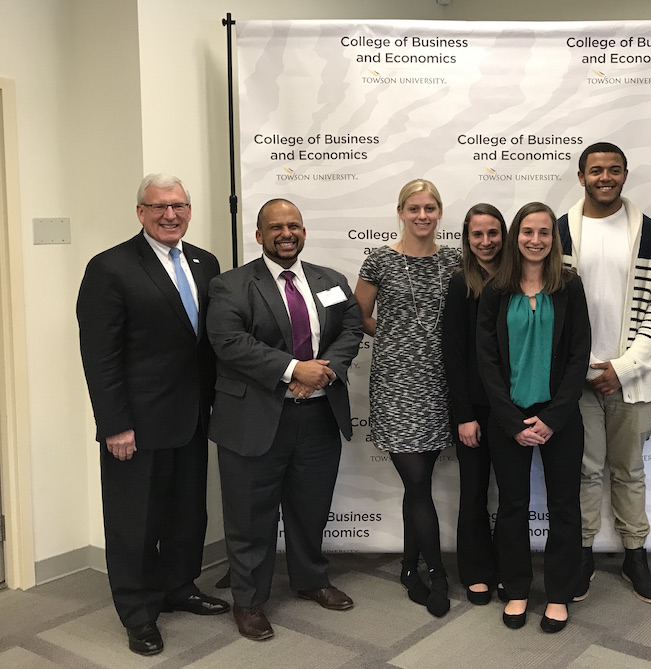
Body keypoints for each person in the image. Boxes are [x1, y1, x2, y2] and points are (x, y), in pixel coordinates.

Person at [77, 173, 228, 656]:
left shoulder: (206, 263)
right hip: (136, 425)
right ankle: (138, 613)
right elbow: (99, 355)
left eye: (179, 206)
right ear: (140, 212)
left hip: (192, 417)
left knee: (187, 514)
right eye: (159, 206)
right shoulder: (110, 267)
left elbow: (205, 344)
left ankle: (179, 587)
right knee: (134, 522)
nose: (171, 215)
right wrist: (114, 423)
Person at [207, 198, 363, 641]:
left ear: (304, 232)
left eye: (294, 225)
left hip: (317, 418)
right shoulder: (230, 285)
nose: (286, 233)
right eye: (276, 227)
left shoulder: (329, 281)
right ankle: (249, 601)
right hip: (254, 419)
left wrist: (324, 368)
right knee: (250, 517)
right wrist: (295, 370)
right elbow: (229, 341)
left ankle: (311, 578)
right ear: (259, 235)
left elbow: (351, 327)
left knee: (310, 508)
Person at [558, 142, 651, 603]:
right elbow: (547, 304)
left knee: (628, 471)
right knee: (584, 472)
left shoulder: (650, 232)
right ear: (581, 175)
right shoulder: (560, 232)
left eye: (613, 170)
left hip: (632, 379)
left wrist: (622, 368)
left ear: (625, 174)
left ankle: (635, 555)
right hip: (575, 379)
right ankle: (582, 554)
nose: (605, 177)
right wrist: (583, 368)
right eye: (595, 170)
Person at [476, 202, 591, 633]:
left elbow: (580, 355)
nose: (536, 240)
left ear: (553, 239)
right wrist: (510, 420)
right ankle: (518, 589)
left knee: (564, 507)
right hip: (509, 419)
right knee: (512, 508)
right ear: (515, 236)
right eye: (527, 231)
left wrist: (553, 418)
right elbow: (485, 361)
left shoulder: (569, 287)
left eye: (544, 232)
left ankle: (558, 594)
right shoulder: (496, 290)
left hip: (558, 417)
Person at [354, 179, 462, 618]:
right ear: (400, 211)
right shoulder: (379, 259)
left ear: (439, 212)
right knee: (416, 483)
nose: (422, 215)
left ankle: (407, 567)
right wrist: (397, 338)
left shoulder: (455, 260)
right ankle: (436, 572)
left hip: (441, 384)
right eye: (414, 208)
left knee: (418, 484)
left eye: (430, 207)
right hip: (396, 384)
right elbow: (359, 315)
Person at [442, 203, 507, 605]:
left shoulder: (520, 279)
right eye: (477, 234)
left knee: (514, 495)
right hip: (474, 411)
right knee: (474, 492)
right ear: (467, 238)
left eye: (493, 233)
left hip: (512, 409)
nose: (485, 242)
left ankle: (508, 567)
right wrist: (464, 415)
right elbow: (454, 352)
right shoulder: (459, 281)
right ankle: (477, 571)